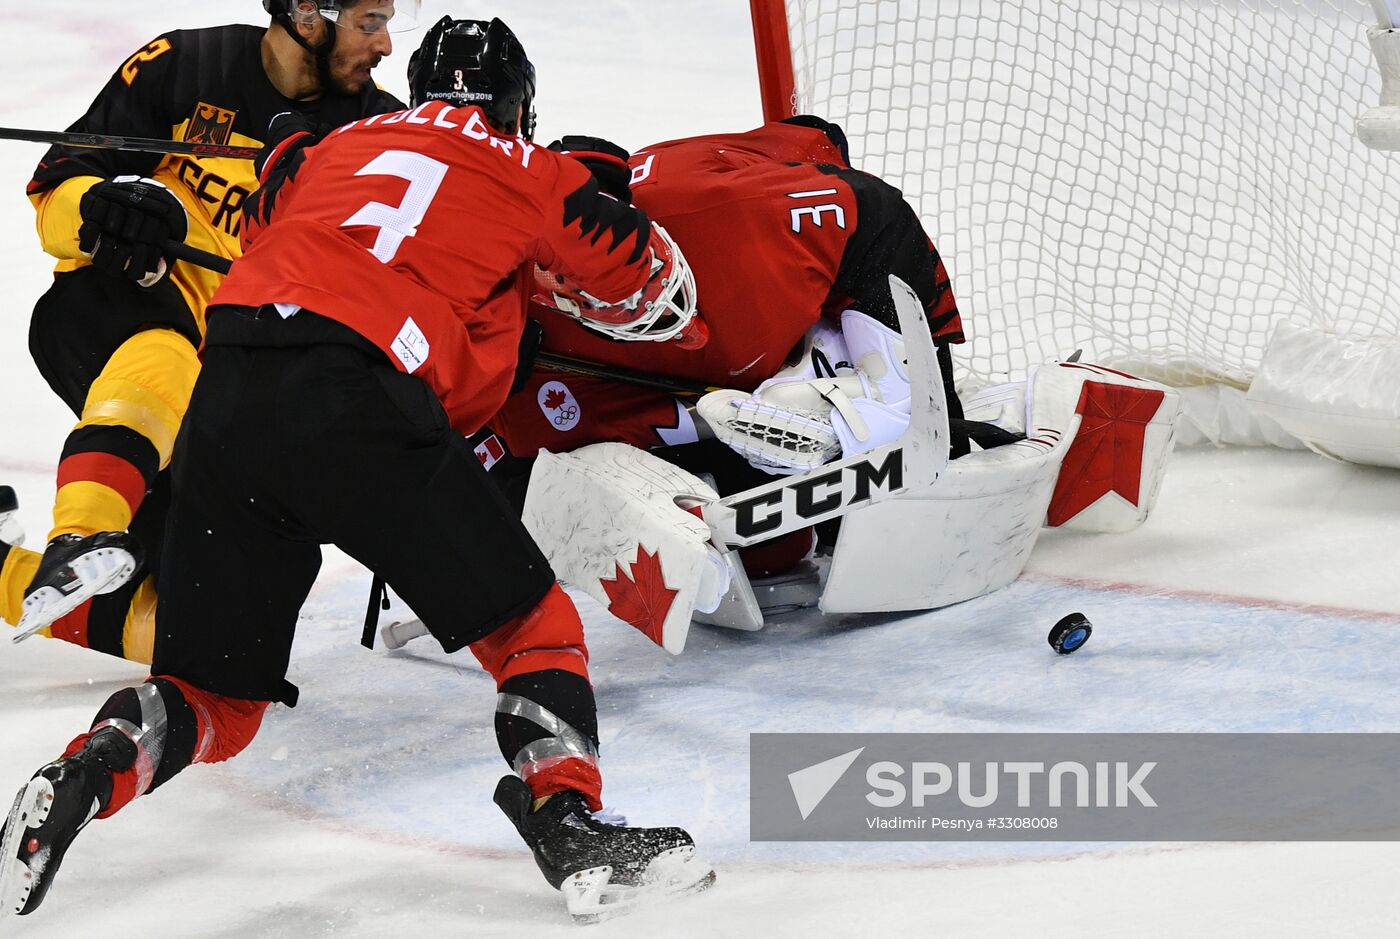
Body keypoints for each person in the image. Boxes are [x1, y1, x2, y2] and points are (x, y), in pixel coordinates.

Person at [0, 16, 712, 923]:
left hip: (230, 382)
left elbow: (264, 209)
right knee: (533, 624)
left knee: (214, 695)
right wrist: (576, 248)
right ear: (517, 108)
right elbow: (658, 289)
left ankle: (84, 774)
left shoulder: (336, 142)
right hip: (359, 394)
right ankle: (566, 816)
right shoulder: (534, 170)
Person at [0, 0, 412, 661]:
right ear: (306, 14)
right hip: (114, 320)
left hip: (240, 404)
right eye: (370, 22)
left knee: (216, 642)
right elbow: (56, 189)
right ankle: (81, 533)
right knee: (165, 354)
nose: (388, 43)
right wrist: (105, 212)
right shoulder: (187, 66)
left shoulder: (380, 134)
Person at [483, 120, 966, 568]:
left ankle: (828, 366)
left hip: (755, 230)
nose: (665, 311)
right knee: (772, 551)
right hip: (632, 354)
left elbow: (875, 209)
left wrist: (915, 390)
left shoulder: (735, 215)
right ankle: (811, 376)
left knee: (899, 409)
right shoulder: (513, 339)